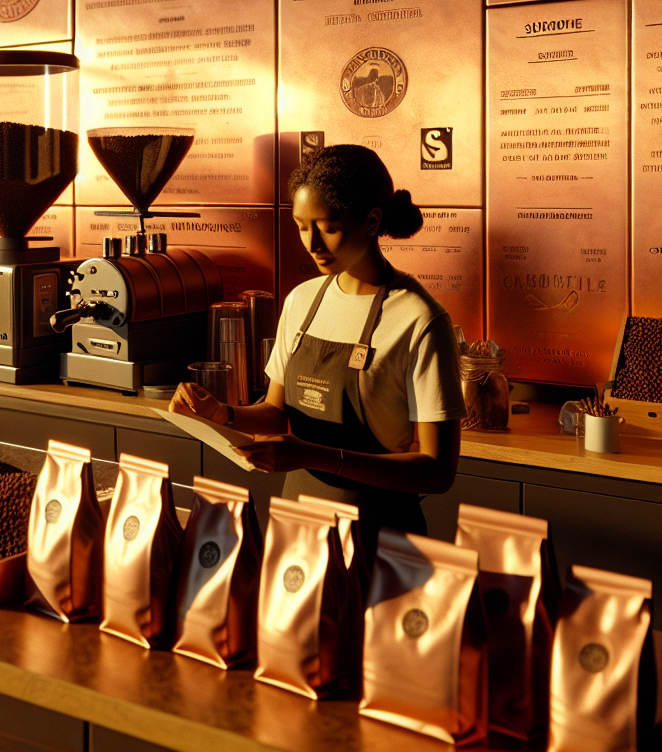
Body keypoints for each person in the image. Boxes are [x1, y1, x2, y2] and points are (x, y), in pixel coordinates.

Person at [172, 144, 464, 537]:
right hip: (298, 529)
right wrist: (221, 414)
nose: (312, 244)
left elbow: (437, 470)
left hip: (378, 535)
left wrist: (312, 454)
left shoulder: (419, 319)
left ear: (372, 221)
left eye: (329, 227)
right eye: (301, 226)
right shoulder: (302, 300)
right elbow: (276, 411)